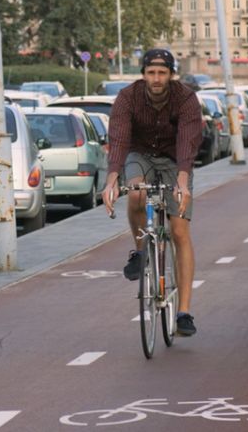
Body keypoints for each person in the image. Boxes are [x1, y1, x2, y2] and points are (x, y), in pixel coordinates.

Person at [102, 48, 203, 337]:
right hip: (140, 154)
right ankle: (140, 250)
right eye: (151, 73)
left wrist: (182, 182)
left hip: (175, 160)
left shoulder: (185, 99)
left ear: (171, 75)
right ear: (143, 74)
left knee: (180, 231)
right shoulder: (127, 98)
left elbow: (188, 142)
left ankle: (183, 311)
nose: (156, 79)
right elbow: (119, 140)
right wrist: (111, 181)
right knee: (136, 193)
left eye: (162, 73)